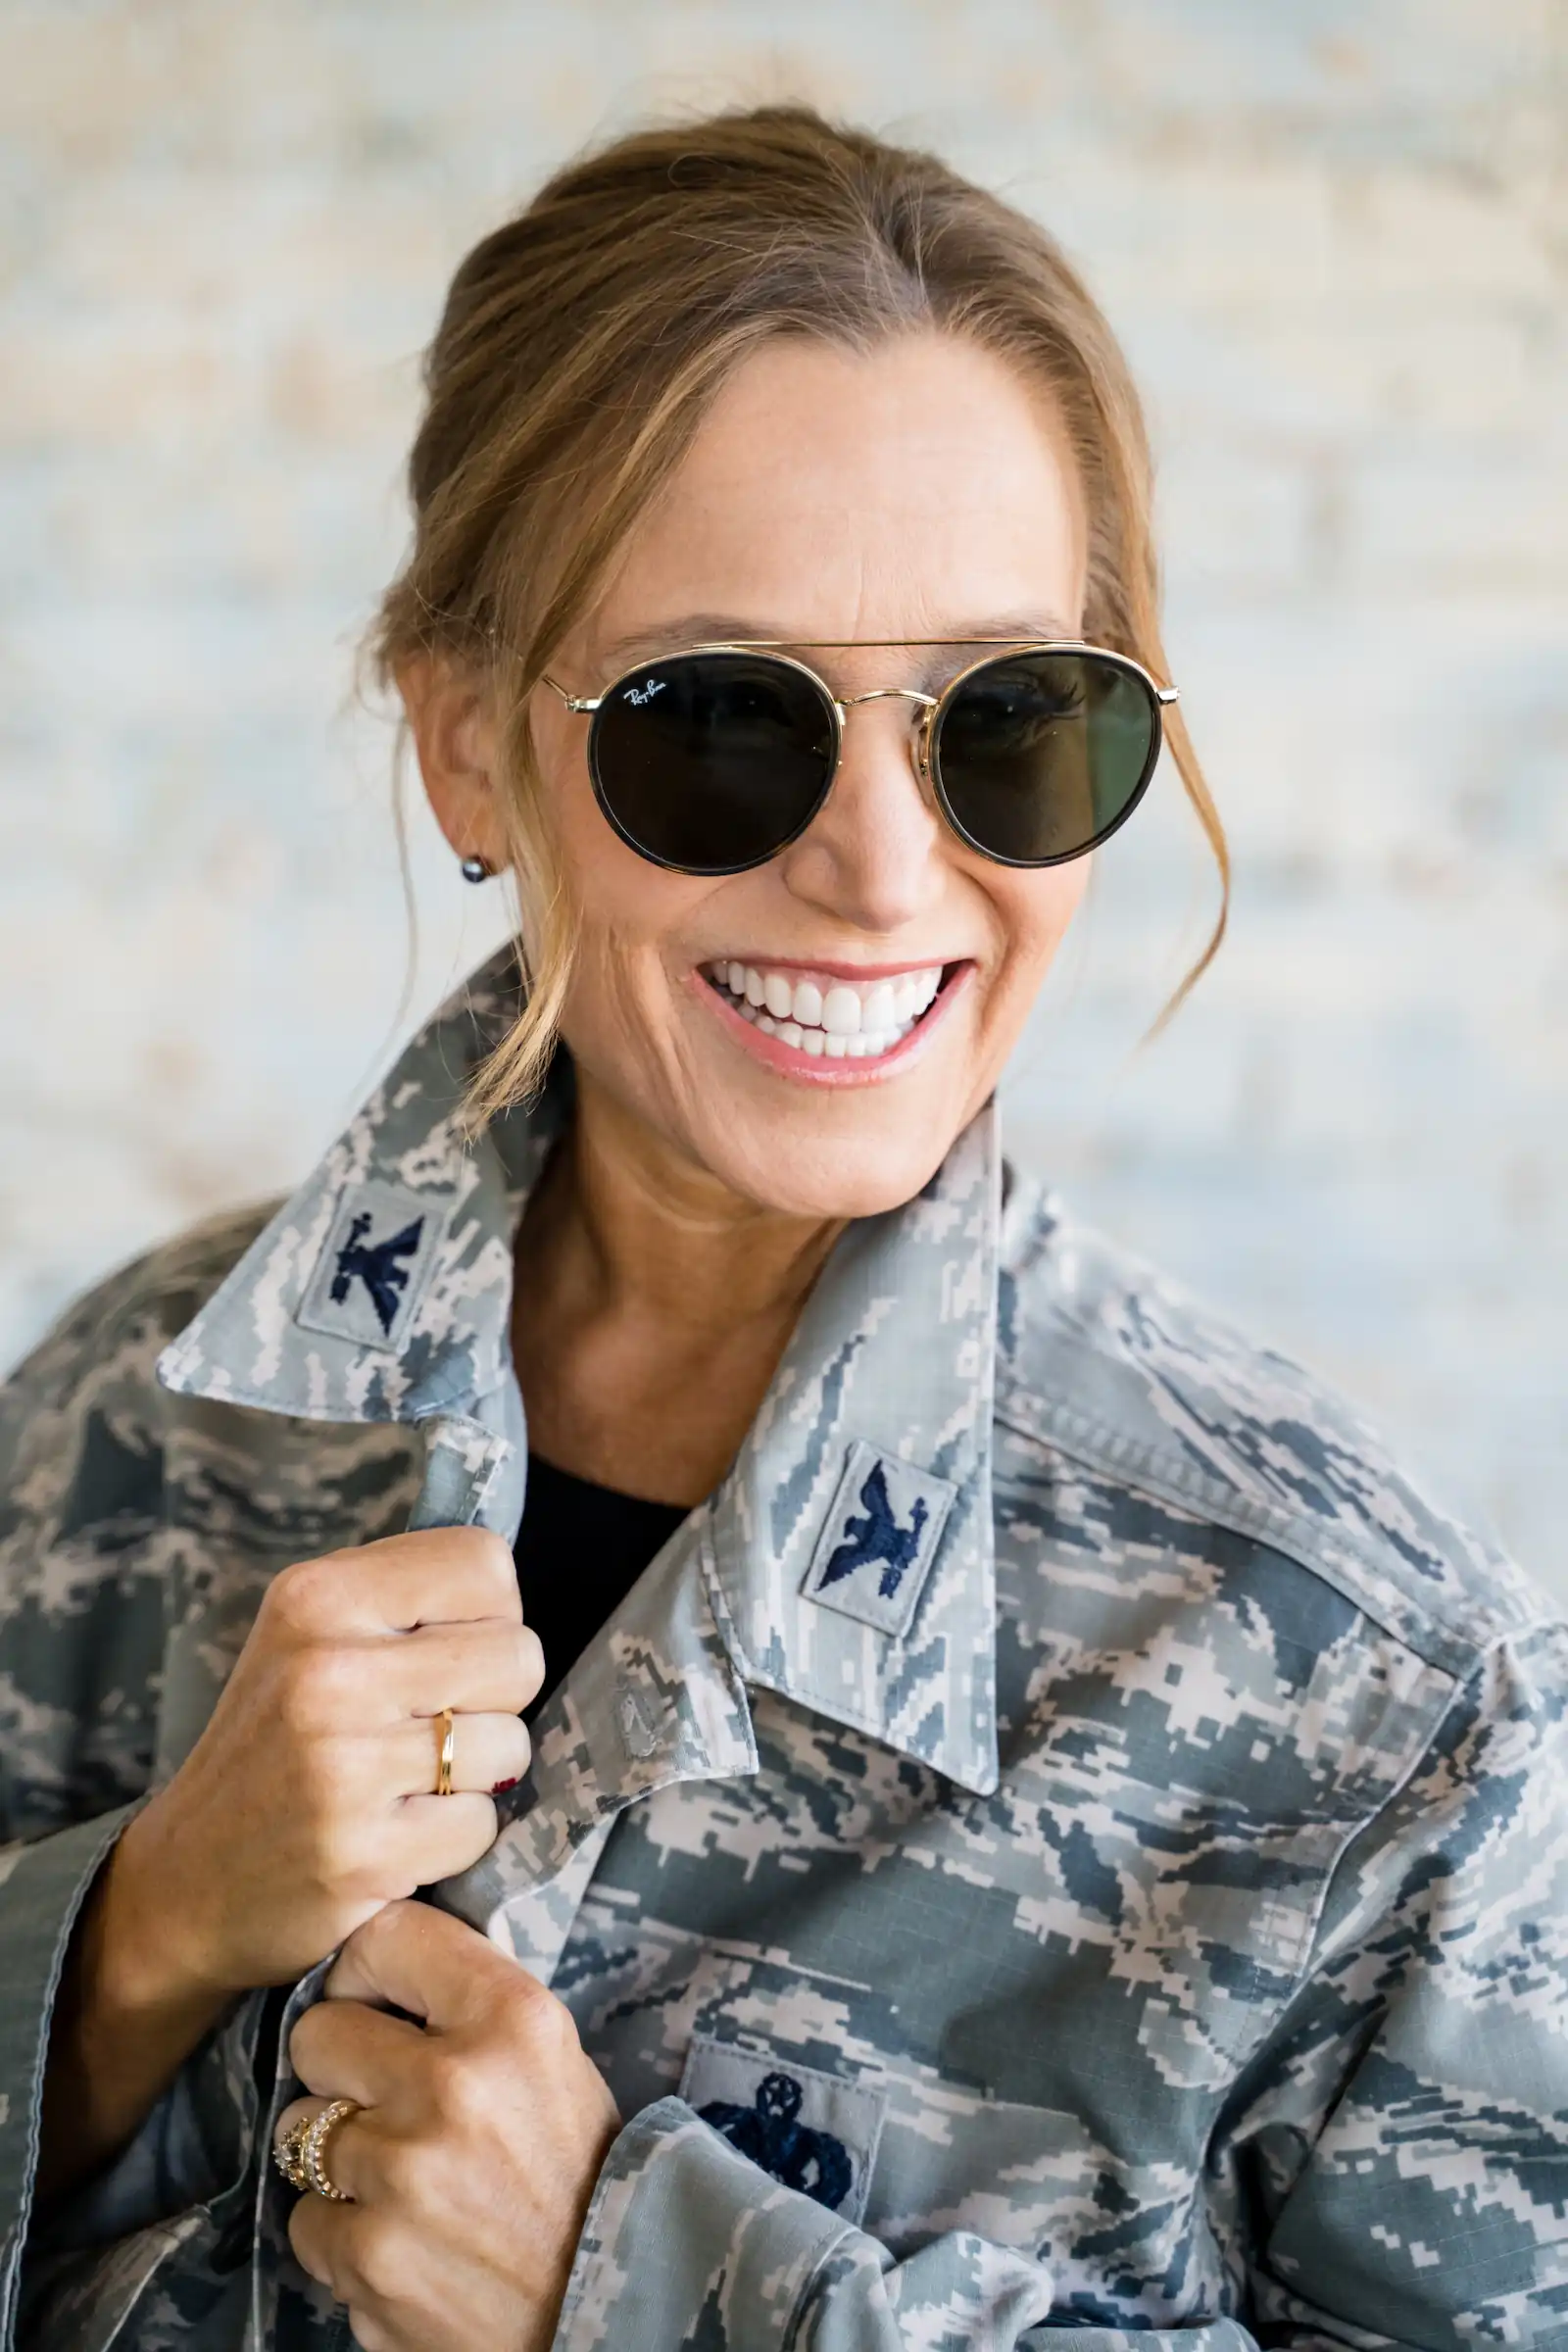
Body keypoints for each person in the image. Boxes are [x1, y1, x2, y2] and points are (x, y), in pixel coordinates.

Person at [1, 103, 1563, 2352]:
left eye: (1005, 720)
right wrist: (135, 1941)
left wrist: (626, 2293)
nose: (879, 868)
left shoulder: (1389, 1704)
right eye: (720, 725)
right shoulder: (137, 1423)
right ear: (464, 744)